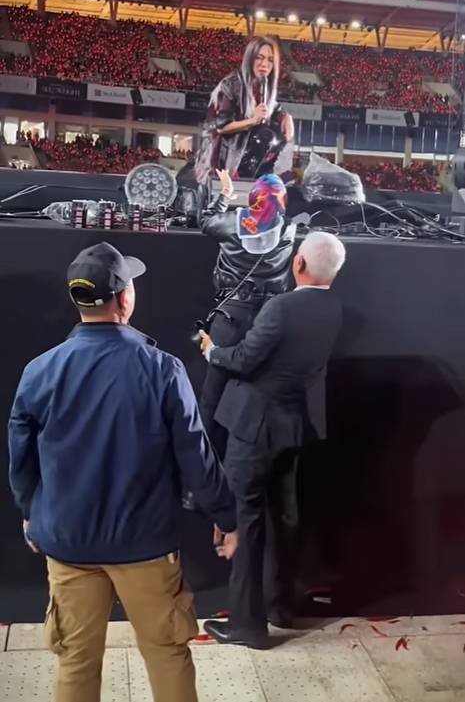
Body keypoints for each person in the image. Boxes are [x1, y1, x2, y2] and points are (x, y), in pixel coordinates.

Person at [8, 242, 238, 702]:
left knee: (76, 660)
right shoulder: (163, 370)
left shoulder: (40, 371)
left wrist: (31, 511)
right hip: (145, 546)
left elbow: (21, 455)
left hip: (69, 542)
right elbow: (196, 455)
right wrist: (227, 518)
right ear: (124, 299)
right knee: (167, 654)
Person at [198, 231, 346, 649]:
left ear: (297, 263)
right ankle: (279, 606)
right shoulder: (333, 307)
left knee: (247, 522)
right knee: (282, 517)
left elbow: (245, 359)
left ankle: (247, 626)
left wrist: (211, 351)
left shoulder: (281, 307)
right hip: (293, 428)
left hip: (255, 429)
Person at [199, 168, 296, 453]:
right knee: (257, 394)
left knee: (212, 397)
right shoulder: (288, 229)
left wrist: (225, 194)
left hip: (231, 315)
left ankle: (203, 466)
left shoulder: (232, 223)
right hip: (269, 319)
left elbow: (205, 221)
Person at [195, 35, 294, 185]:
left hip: (246, 158)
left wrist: (286, 116)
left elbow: (274, 108)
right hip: (222, 157)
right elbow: (221, 127)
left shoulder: (263, 87)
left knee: (274, 132)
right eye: (259, 58)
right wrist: (252, 121)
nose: (264, 64)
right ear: (250, 58)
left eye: (270, 60)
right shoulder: (231, 85)